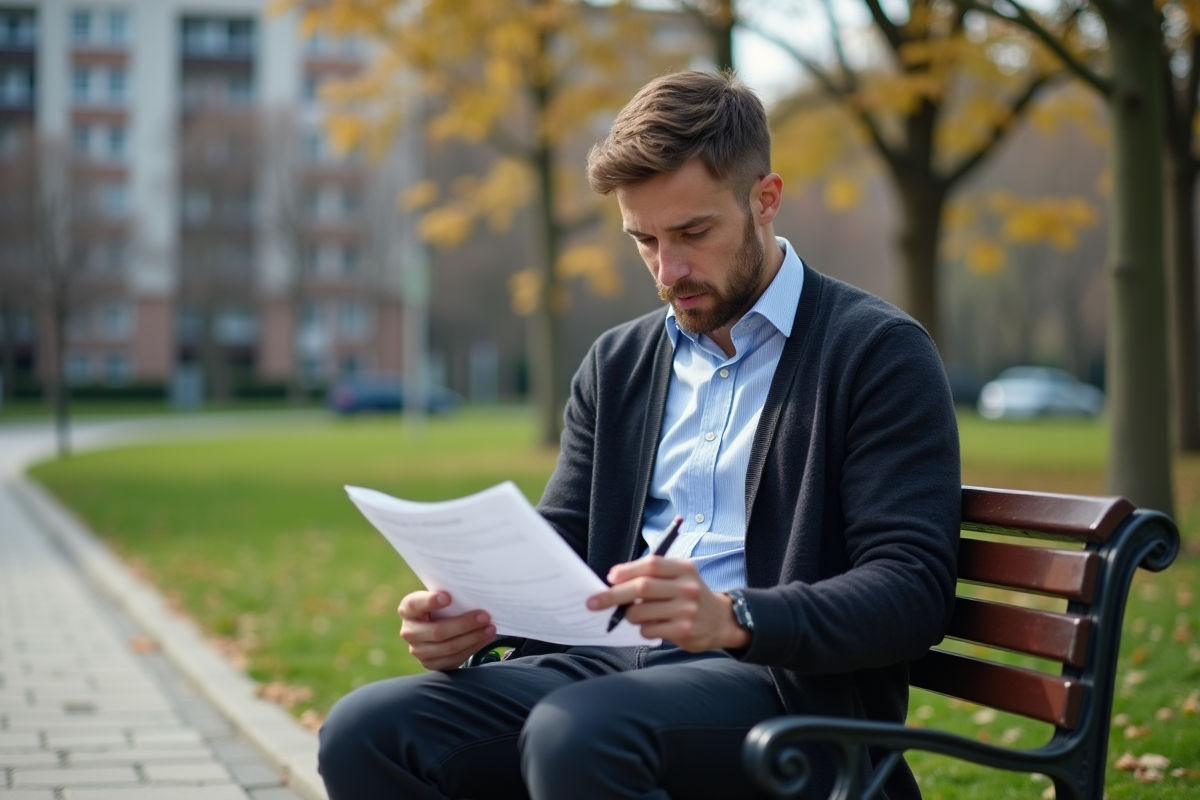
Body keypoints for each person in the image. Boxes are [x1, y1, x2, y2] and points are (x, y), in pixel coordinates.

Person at [317, 70, 960, 800]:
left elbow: (913, 588)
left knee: (581, 729)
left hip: (785, 696)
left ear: (766, 199)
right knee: (366, 727)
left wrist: (735, 618)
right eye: (644, 240)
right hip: (608, 670)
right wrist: (469, 615)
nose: (669, 269)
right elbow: (558, 542)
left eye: (693, 233)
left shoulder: (874, 351)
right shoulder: (619, 362)